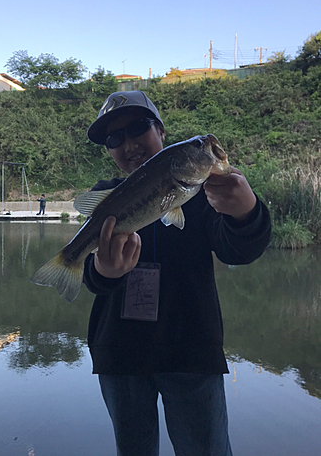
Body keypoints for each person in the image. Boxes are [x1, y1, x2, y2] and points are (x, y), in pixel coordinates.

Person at [83, 91, 271, 456]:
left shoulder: (205, 195)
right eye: (114, 138)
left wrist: (246, 212)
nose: (129, 144)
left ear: (161, 131)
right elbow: (93, 278)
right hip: (120, 354)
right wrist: (105, 271)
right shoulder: (106, 196)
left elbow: (239, 249)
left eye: (138, 128)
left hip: (191, 351)